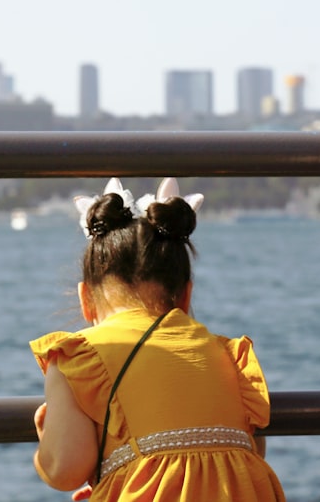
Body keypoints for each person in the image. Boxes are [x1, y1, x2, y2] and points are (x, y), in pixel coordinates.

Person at [29, 177, 286, 501]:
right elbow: (251, 449)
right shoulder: (228, 355)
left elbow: (66, 469)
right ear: (186, 294)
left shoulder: (79, 356)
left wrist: (46, 446)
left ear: (86, 299)